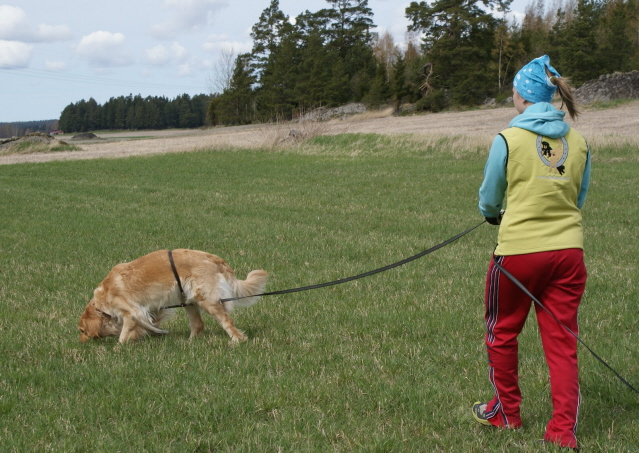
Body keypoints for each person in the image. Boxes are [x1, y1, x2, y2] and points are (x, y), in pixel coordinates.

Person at [473, 55, 591, 450]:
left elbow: (490, 197)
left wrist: (492, 215)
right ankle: (562, 431)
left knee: (502, 332)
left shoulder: (507, 139)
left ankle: (506, 412)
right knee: (562, 342)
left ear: (522, 96)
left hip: (519, 255)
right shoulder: (578, 141)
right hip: (569, 253)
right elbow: (579, 196)